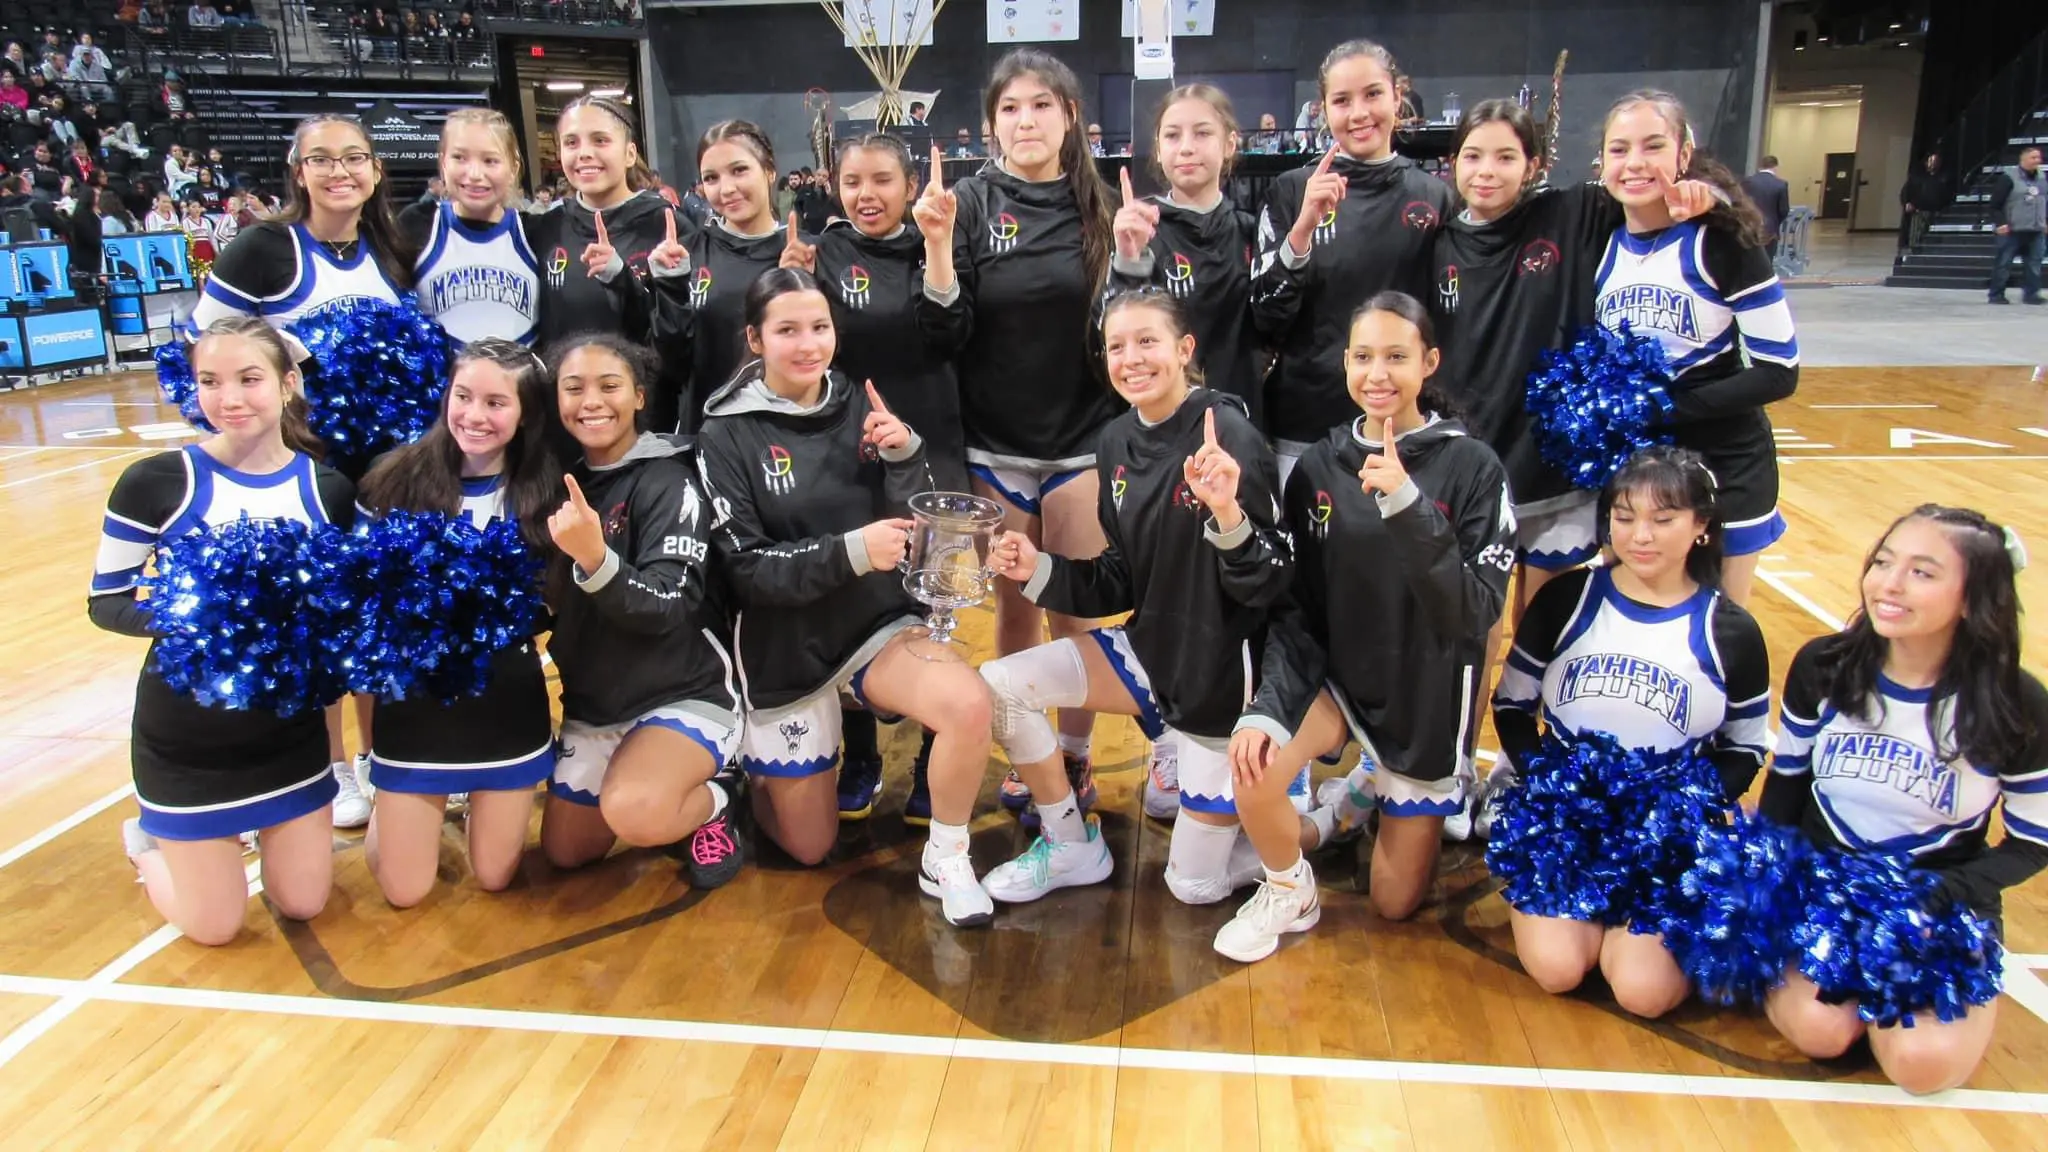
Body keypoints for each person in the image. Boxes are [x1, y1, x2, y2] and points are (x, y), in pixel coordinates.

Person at [981, 289, 1305, 910]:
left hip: (1221, 685)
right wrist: (1038, 567)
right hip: (1151, 653)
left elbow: (1272, 583)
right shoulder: (1115, 441)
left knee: (1193, 886)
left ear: (1185, 350)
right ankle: (1071, 843)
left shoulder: (1228, 431)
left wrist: (1229, 513)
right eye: (1116, 345)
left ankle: (1298, 821)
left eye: (1147, 341)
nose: (1130, 357)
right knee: (1000, 687)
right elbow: (1119, 579)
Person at [696, 268, 997, 922]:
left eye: (820, 327)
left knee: (969, 703)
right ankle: (734, 783)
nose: (808, 344)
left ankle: (946, 856)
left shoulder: (858, 398)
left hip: (871, 627)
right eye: (787, 330)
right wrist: (852, 550)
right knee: (811, 848)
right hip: (786, 646)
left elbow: (912, 521)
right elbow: (747, 570)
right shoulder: (724, 433)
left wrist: (905, 455)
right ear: (754, 339)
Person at [1225, 292, 1513, 962]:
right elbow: (1296, 607)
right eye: (1363, 357)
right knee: (1254, 770)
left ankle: (1358, 799)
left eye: (1396, 357)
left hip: (1423, 701)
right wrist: (1269, 710)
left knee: (1392, 904)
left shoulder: (1474, 468)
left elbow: (1471, 612)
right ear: (1344, 362)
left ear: (1429, 362)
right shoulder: (1321, 466)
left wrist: (1407, 505)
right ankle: (1302, 866)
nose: (1377, 374)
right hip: (1341, 685)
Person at [1760, 505, 2048, 1094]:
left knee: (1924, 1067)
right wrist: (1770, 884)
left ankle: (1903, 1006)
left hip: (1935, 905)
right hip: (1824, 891)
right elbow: (1785, 785)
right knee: (1821, 1031)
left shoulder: (2016, 703)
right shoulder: (1826, 665)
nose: (1888, 584)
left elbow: (2031, 842)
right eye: (1883, 562)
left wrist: (1942, 894)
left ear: (1973, 598)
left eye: (1922, 572)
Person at [94, 318, 354, 946]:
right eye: (210, 381)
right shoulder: (156, 483)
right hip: (188, 736)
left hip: (287, 734)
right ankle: (147, 846)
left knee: (304, 902)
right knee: (214, 928)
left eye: (249, 379)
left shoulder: (329, 489)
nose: (229, 398)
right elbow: (107, 603)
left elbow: (347, 607)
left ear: (288, 383)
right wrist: (207, 617)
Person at [1489, 446, 1770, 1015]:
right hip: (1562, 828)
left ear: (1701, 528)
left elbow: (1744, 748)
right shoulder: (1566, 600)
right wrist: (1550, 779)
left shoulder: (1730, 631)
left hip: (1666, 842)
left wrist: (1679, 807)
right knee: (1558, 970)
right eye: (1624, 517)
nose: (1640, 535)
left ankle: (1637, 943)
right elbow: (1513, 706)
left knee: (1643, 994)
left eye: (1662, 520)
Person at [948, 48, 1121, 819]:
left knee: (1077, 610)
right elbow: (946, 322)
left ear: (1069, 116)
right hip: (995, 443)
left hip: (1084, 439)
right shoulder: (971, 203)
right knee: (1014, 609)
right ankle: (1029, 755)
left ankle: (1076, 758)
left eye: (1041, 105)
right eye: (1010, 108)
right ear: (991, 124)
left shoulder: (1105, 205)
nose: (1026, 120)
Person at [356, 340, 562, 906]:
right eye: (463, 396)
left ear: (526, 415)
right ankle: (392, 809)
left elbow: (553, 605)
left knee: (495, 877)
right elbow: (361, 596)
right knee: (405, 891)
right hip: (418, 704)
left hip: (506, 701)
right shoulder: (393, 480)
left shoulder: (549, 491)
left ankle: (471, 802)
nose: (474, 415)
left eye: (497, 403)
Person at [536, 333, 745, 889]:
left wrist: (595, 558)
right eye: (574, 388)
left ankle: (716, 797)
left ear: (639, 397)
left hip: (680, 691)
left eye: (610, 386)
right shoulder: (554, 481)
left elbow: (668, 605)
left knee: (637, 811)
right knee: (565, 850)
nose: (591, 402)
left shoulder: (668, 479)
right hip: (596, 703)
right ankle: (649, 777)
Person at [812, 136, 975, 820]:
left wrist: (938, 244)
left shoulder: (940, 237)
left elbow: (950, 337)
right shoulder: (825, 251)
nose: (866, 194)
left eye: (882, 179)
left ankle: (932, 765)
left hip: (933, 443)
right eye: (853, 181)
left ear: (911, 184)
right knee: (851, 601)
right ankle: (861, 754)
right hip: (853, 448)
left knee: (935, 605)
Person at [1594, 91, 1798, 607]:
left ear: (1684, 155)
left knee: (1719, 623)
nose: (1634, 163)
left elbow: (1780, 372)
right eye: (1619, 149)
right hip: (1637, 466)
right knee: (1630, 615)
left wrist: (1666, 407)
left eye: (1653, 146)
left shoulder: (1723, 241)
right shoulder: (1598, 238)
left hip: (1727, 462)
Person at [1252, 39, 1455, 483]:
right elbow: (1265, 316)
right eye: (1342, 100)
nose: (1359, 113)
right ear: (1323, 110)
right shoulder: (1291, 190)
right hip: (1305, 427)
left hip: (1401, 428)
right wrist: (1301, 231)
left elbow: (1447, 317)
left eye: (1373, 94)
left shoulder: (1435, 196)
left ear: (1397, 97)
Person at [524, 96, 693, 432]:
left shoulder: (668, 226)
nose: (584, 152)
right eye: (571, 142)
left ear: (630, 153)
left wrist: (623, 279)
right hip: (564, 422)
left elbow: (678, 341)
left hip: (646, 423)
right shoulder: (543, 228)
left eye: (600, 140)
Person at [401, 109, 541, 347]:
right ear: (443, 162)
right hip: (442, 383)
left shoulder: (535, 231)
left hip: (521, 382)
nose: (475, 174)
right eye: (459, 158)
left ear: (513, 167)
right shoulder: (416, 224)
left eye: (490, 161)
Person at [1983, 145, 2046, 306]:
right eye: (2033, 157)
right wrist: (2001, 223)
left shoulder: (2042, 178)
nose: (2037, 161)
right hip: (2012, 230)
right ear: (2023, 159)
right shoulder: (2008, 178)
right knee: (2004, 263)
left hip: (2035, 229)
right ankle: (1996, 294)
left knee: (2034, 264)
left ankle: (2031, 294)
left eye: (2038, 157)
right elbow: (1995, 204)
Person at [1740, 155, 1790, 260]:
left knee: (1749, 260)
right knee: (1767, 261)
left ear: (1760, 166)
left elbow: (1741, 203)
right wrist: (1776, 221)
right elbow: (1784, 210)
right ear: (1775, 167)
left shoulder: (1747, 182)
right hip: (1771, 230)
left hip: (1750, 226)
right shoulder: (1781, 184)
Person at [1898, 152, 1949, 254]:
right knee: (1915, 234)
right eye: (1931, 161)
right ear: (1926, 162)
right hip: (1918, 211)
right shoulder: (1917, 177)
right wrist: (1907, 203)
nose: (1933, 164)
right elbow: (1905, 192)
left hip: (1935, 211)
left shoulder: (1943, 178)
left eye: (1936, 161)